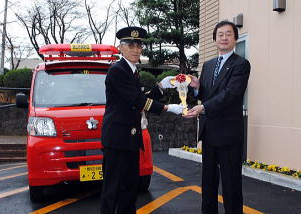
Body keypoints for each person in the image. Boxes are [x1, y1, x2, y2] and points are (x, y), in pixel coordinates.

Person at [100, 26, 183, 214]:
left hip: (130, 138)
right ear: (120, 48)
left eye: (138, 46)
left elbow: (141, 95)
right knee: (112, 188)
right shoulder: (117, 70)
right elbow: (137, 101)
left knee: (129, 187)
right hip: (117, 138)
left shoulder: (132, 71)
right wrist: (167, 108)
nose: (136, 50)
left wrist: (162, 86)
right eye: (131, 45)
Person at [184, 20, 251, 214]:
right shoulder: (208, 65)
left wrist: (202, 108)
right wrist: (197, 89)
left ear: (235, 39)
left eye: (228, 34)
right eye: (220, 34)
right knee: (208, 185)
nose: (224, 38)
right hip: (209, 132)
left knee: (231, 187)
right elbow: (207, 95)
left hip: (229, 134)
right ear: (214, 39)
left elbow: (230, 95)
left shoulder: (241, 64)